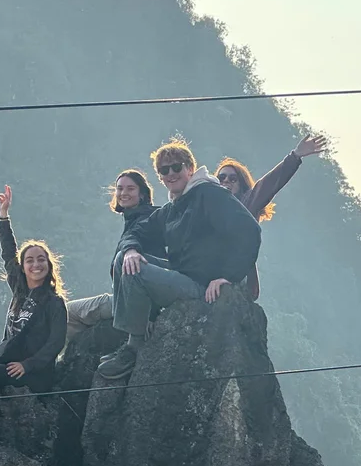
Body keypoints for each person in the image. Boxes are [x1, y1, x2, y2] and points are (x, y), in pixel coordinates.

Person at [98, 137, 261, 380]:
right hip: (181, 275)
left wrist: (227, 276)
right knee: (125, 258)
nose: (171, 173)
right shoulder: (172, 208)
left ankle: (135, 347)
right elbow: (137, 232)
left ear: (190, 168)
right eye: (164, 170)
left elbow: (250, 231)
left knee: (136, 271)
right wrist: (132, 249)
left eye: (177, 167)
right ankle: (132, 339)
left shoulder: (209, 193)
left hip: (200, 286)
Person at [0, 185, 69, 395]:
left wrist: (28, 365)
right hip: (8, 363)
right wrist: (3, 215)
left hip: (34, 375)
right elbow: (9, 253)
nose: (36, 265)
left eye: (41, 259)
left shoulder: (54, 302)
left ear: (49, 264)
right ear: (23, 267)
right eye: (29, 260)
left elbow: (56, 343)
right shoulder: (20, 291)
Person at [215, 133, 329, 300]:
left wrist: (295, 156)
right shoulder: (208, 208)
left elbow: (267, 185)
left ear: (241, 185)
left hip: (237, 281)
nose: (226, 181)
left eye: (233, 178)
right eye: (221, 177)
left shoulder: (245, 205)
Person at [64, 169, 164, 341]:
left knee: (66, 313)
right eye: (120, 188)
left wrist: (151, 313)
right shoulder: (133, 218)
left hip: (133, 300)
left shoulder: (148, 218)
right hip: (123, 295)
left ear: (142, 194)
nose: (124, 193)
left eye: (130, 188)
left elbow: (153, 264)